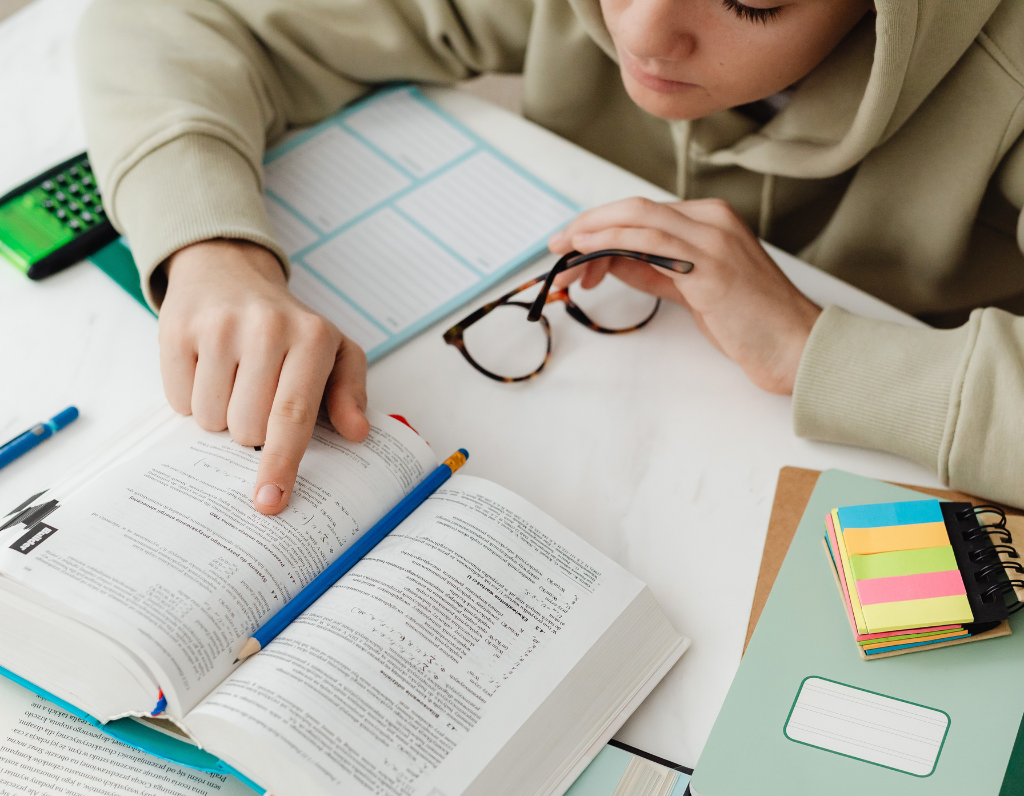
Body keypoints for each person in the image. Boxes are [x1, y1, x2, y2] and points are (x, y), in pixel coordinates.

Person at [75, 0, 1024, 513]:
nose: (643, 32)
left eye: (750, 0)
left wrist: (820, 348)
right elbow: (166, 16)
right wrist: (211, 249)